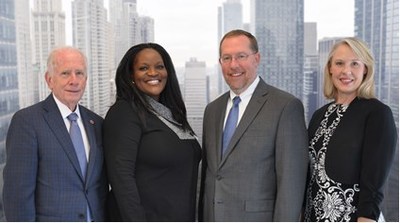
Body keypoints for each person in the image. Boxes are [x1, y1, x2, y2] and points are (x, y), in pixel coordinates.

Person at [198, 29, 309, 221]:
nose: (233, 65)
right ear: (220, 63)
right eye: (226, 58)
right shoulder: (212, 110)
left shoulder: (285, 106)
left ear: (256, 59)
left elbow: (291, 184)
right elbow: (210, 173)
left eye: (241, 56)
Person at [2, 46, 108, 221]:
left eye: (79, 73)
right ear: (49, 80)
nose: (74, 81)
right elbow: (17, 195)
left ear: (86, 80)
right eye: (65, 73)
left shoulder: (96, 122)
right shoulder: (27, 122)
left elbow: (100, 187)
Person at [103, 43, 201, 221]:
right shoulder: (124, 112)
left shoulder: (172, 114)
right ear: (131, 75)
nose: (153, 73)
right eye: (143, 68)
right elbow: (122, 180)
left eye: (159, 67)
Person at [303, 37, 397, 222]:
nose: (346, 71)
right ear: (330, 68)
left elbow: (374, 183)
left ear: (365, 70)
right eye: (339, 63)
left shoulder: (377, 114)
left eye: (355, 64)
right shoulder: (319, 115)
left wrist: (367, 218)